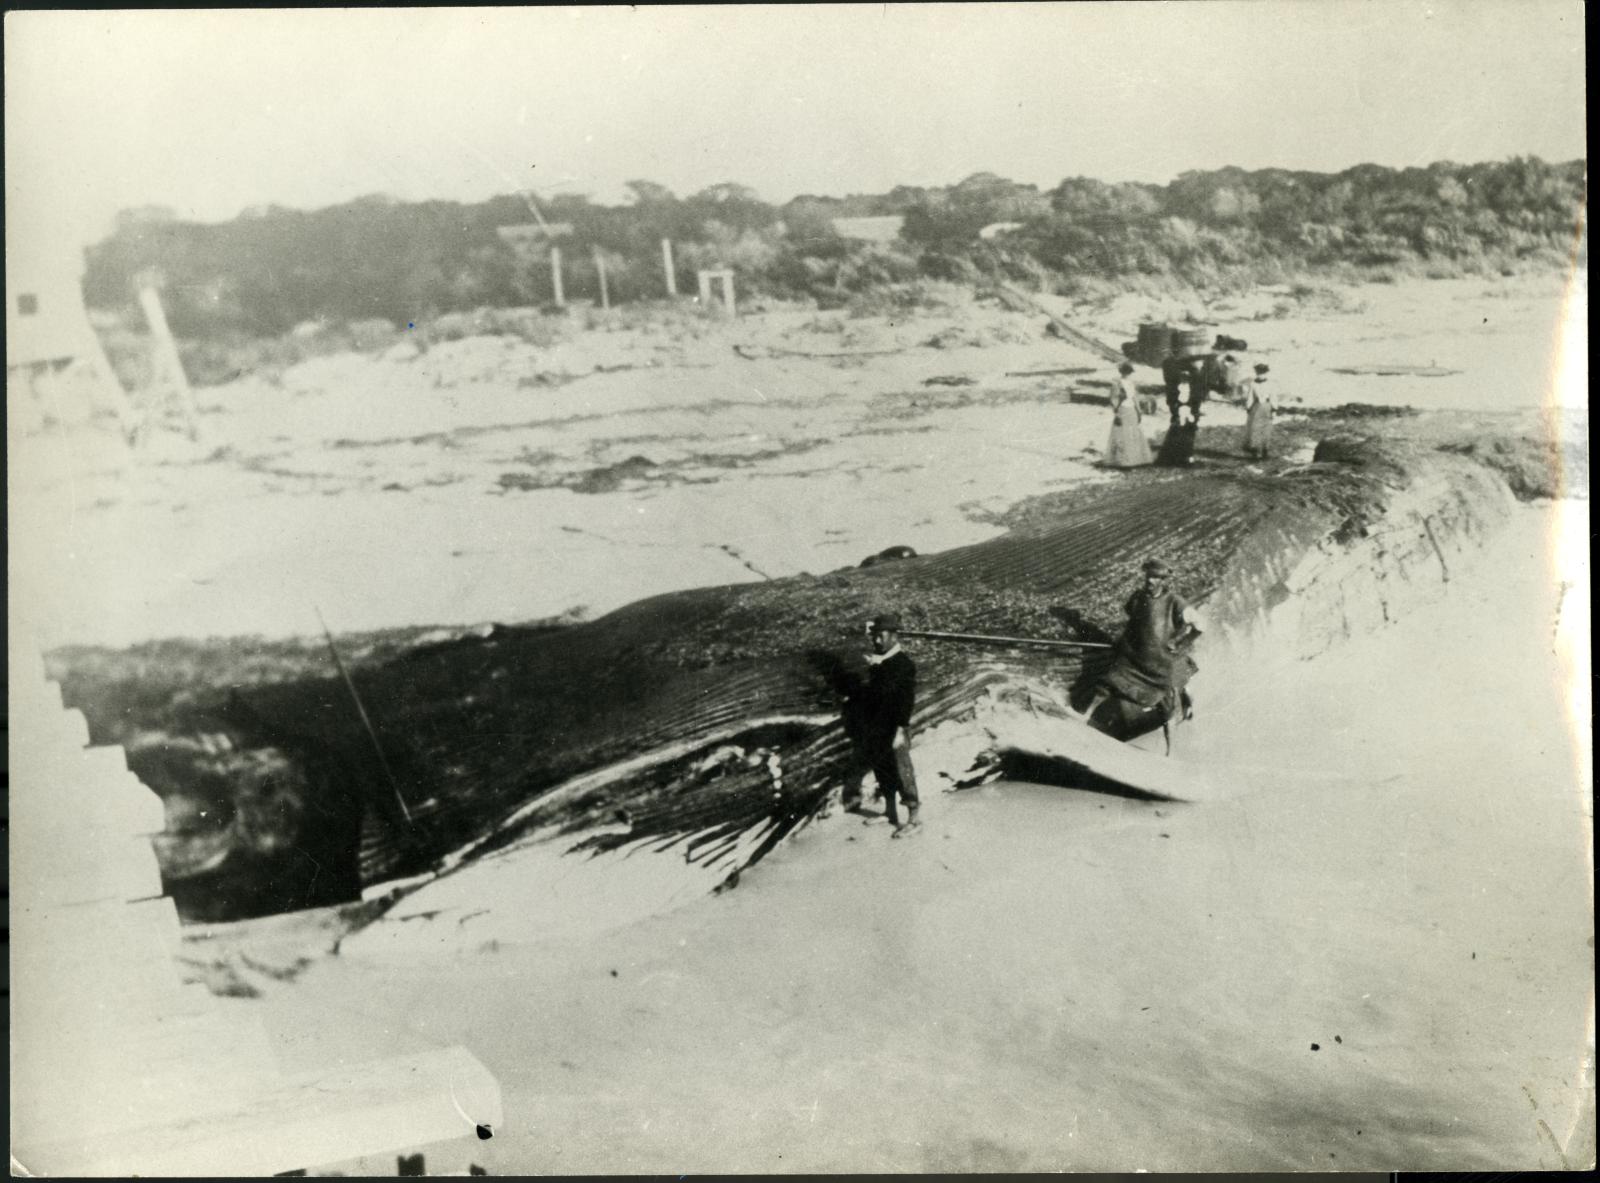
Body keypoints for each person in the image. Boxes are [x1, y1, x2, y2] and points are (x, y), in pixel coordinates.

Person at [1074, 559, 1204, 753]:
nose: (1150, 581)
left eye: (1155, 578)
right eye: (1148, 576)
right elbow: (1134, 618)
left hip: (1161, 663)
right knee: (1108, 683)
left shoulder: (1174, 601)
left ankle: (1171, 751)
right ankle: (1083, 718)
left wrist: (1181, 643)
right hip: (1135, 658)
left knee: (1166, 705)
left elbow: (1200, 625)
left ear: (1163, 580)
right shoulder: (1138, 597)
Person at [848, 612, 921, 836]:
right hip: (878, 726)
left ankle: (914, 820)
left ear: (893, 636)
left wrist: (900, 729)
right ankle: (890, 812)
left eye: (881, 636)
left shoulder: (903, 664)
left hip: (895, 727)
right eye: (875, 636)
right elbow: (875, 693)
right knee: (883, 770)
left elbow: (904, 700)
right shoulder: (881, 662)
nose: (877, 641)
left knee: (902, 771)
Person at [1104, 361, 1153, 468]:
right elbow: (1113, 399)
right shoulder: (1116, 383)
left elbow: (1134, 397)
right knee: (1123, 434)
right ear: (1122, 372)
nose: (1127, 374)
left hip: (1132, 410)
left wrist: (1139, 411)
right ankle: (1123, 460)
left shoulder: (1131, 383)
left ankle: (1135, 459)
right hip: (1122, 410)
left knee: (1133, 433)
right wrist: (1116, 413)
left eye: (1129, 372)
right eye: (1125, 371)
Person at [1244, 363, 1274, 458]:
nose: (1260, 375)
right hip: (1256, 407)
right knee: (1255, 428)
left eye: (1263, 373)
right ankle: (1255, 451)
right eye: (1258, 373)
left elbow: (1274, 396)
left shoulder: (1270, 384)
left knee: (1266, 428)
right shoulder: (1253, 384)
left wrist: (1274, 408)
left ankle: (1265, 450)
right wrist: (1248, 407)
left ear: (1266, 373)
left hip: (1267, 406)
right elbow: (1250, 397)